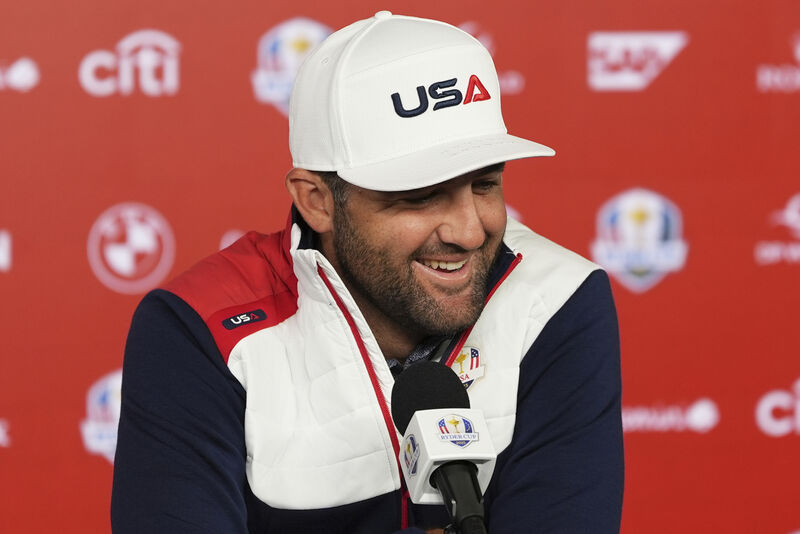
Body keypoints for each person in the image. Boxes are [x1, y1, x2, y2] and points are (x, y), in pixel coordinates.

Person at [111, 11, 624, 534]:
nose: (469, 232)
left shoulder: (557, 299)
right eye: (421, 196)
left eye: (486, 184)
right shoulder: (200, 329)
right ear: (317, 201)